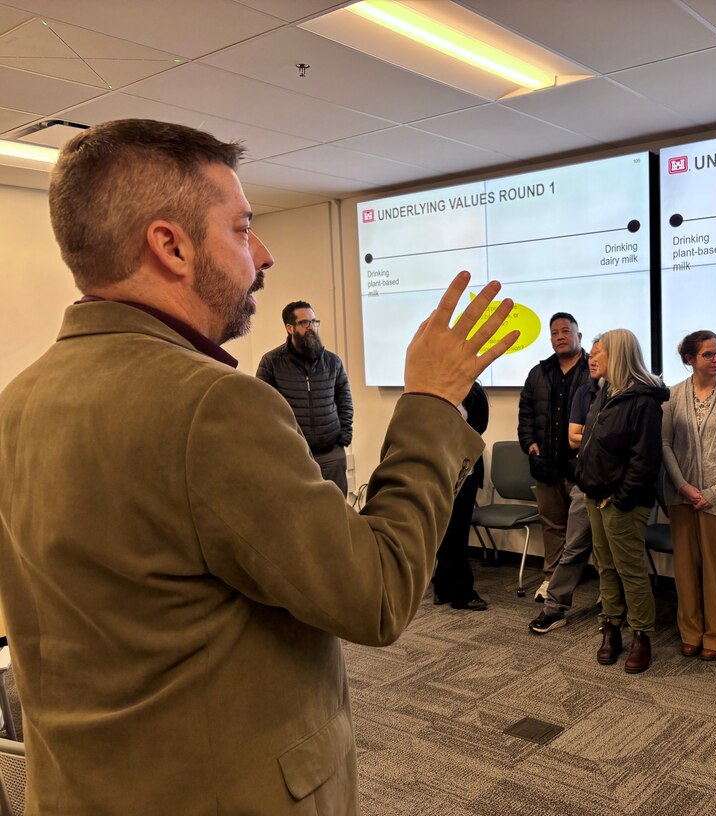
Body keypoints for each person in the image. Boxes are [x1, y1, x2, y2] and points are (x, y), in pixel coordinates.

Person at [0, 118, 517, 814]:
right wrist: (428, 401)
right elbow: (377, 595)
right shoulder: (212, 405)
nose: (264, 254)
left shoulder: (19, 400)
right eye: (243, 229)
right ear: (171, 246)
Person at [575, 329, 668, 673]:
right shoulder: (605, 392)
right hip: (595, 496)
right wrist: (585, 482)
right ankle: (611, 627)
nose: (592, 357)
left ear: (619, 356)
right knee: (606, 567)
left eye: (599, 352)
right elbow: (593, 444)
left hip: (623, 501)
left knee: (630, 570)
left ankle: (642, 635)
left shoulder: (643, 401)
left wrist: (620, 497)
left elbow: (645, 460)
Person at [662, 331, 716, 660]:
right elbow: (665, 444)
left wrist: (715, 490)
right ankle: (691, 631)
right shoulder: (672, 396)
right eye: (708, 355)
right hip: (680, 494)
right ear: (690, 360)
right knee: (685, 568)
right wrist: (683, 485)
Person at [530, 337, 602, 634]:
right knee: (572, 547)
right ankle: (555, 607)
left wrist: (591, 434)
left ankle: (612, 610)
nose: (593, 359)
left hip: (618, 491)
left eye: (601, 354)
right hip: (584, 483)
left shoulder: (632, 394)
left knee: (610, 553)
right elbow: (574, 438)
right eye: (593, 353)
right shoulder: (586, 391)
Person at [518, 313, 590, 601]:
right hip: (546, 464)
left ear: (579, 336)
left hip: (581, 466)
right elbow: (525, 411)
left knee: (588, 529)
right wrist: (529, 443)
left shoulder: (592, 370)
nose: (560, 336)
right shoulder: (539, 372)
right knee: (552, 525)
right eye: (555, 333)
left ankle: (601, 586)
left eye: (565, 331)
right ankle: (551, 578)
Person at [257, 301, 353, 495]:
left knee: (337, 513)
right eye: (305, 323)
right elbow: (261, 406)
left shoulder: (332, 362)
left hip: (331, 454)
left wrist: (343, 437)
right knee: (299, 515)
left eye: (314, 321)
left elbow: (344, 400)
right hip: (292, 456)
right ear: (290, 328)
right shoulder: (272, 363)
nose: (312, 327)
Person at [433, 381, 490, 611]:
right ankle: (456, 591)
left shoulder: (472, 390)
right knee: (445, 532)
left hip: (464, 472)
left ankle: (449, 587)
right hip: (439, 471)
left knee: (456, 532)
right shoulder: (432, 389)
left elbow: (478, 429)